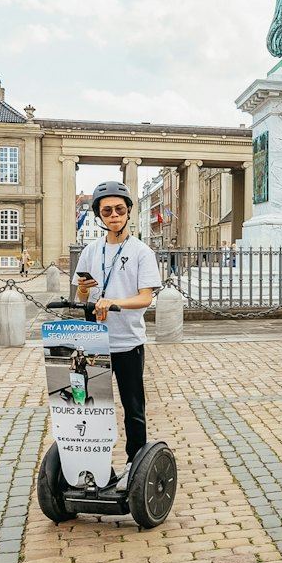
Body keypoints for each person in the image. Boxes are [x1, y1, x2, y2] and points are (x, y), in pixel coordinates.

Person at [72, 180, 161, 481]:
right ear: (99, 214)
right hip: (95, 343)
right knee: (92, 406)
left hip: (127, 342)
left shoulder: (141, 252)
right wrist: (84, 290)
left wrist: (113, 303)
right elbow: (81, 297)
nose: (114, 216)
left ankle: (135, 465)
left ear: (128, 212)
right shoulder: (91, 251)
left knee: (133, 408)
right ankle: (95, 462)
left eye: (119, 210)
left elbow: (145, 297)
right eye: (107, 210)